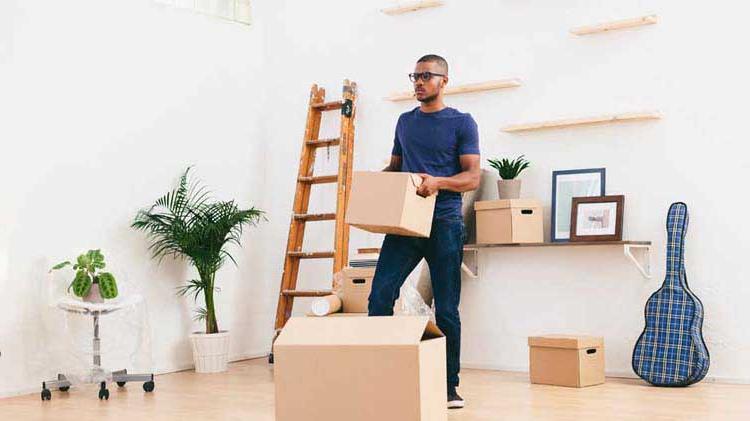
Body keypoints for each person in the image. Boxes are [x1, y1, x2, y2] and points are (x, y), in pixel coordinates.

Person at [367, 54, 481, 409]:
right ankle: (382, 375)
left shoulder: (462, 122)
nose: (418, 82)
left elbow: (472, 177)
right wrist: (370, 185)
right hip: (405, 223)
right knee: (379, 296)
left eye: (425, 76)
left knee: (446, 309)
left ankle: (449, 386)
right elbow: (396, 167)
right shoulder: (404, 122)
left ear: (444, 81)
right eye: (414, 76)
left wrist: (439, 183)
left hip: (444, 223)